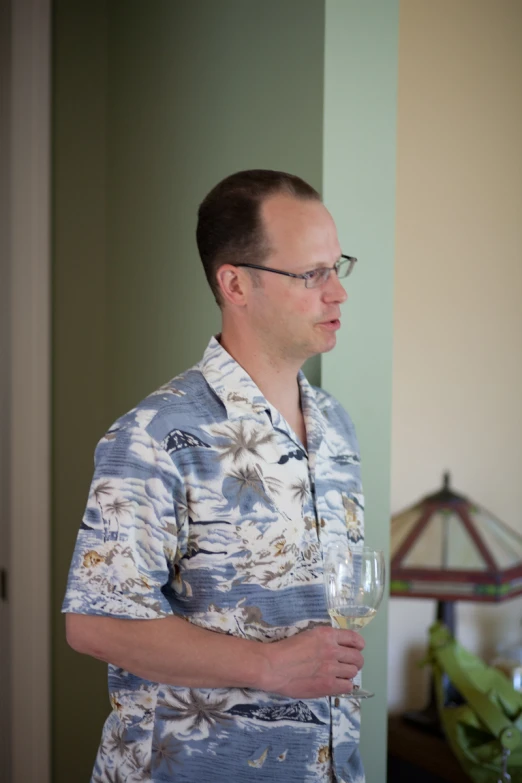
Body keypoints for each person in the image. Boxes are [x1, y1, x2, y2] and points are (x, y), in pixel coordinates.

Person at [64, 169, 367, 783]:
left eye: (338, 268)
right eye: (311, 274)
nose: (337, 293)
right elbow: (94, 623)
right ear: (236, 283)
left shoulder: (336, 427)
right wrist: (268, 665)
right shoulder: (154, 435)